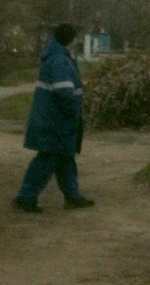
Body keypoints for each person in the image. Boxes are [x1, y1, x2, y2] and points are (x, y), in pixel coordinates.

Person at [13, 23, 94, 213]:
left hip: (52, 118)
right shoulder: (61, 61)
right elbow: (64, 91)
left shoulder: (55, 58)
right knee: (48, 159)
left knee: (65, 157)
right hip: (57, 120)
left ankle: (72, 195)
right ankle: (26, 196)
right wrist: (74, 110)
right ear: (72, 40)